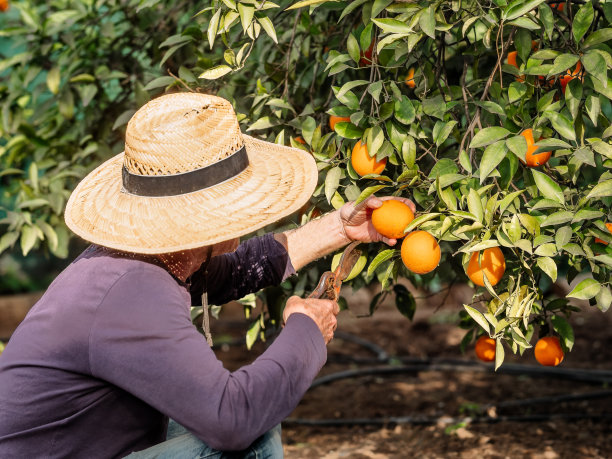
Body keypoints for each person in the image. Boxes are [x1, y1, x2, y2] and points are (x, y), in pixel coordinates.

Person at [0, 93, 415, 458]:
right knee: (251, 438)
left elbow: (233, 271)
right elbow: (232, 420)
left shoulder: (144, 256)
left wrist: (341, 229)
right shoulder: (130, 290)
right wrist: (305, 331)